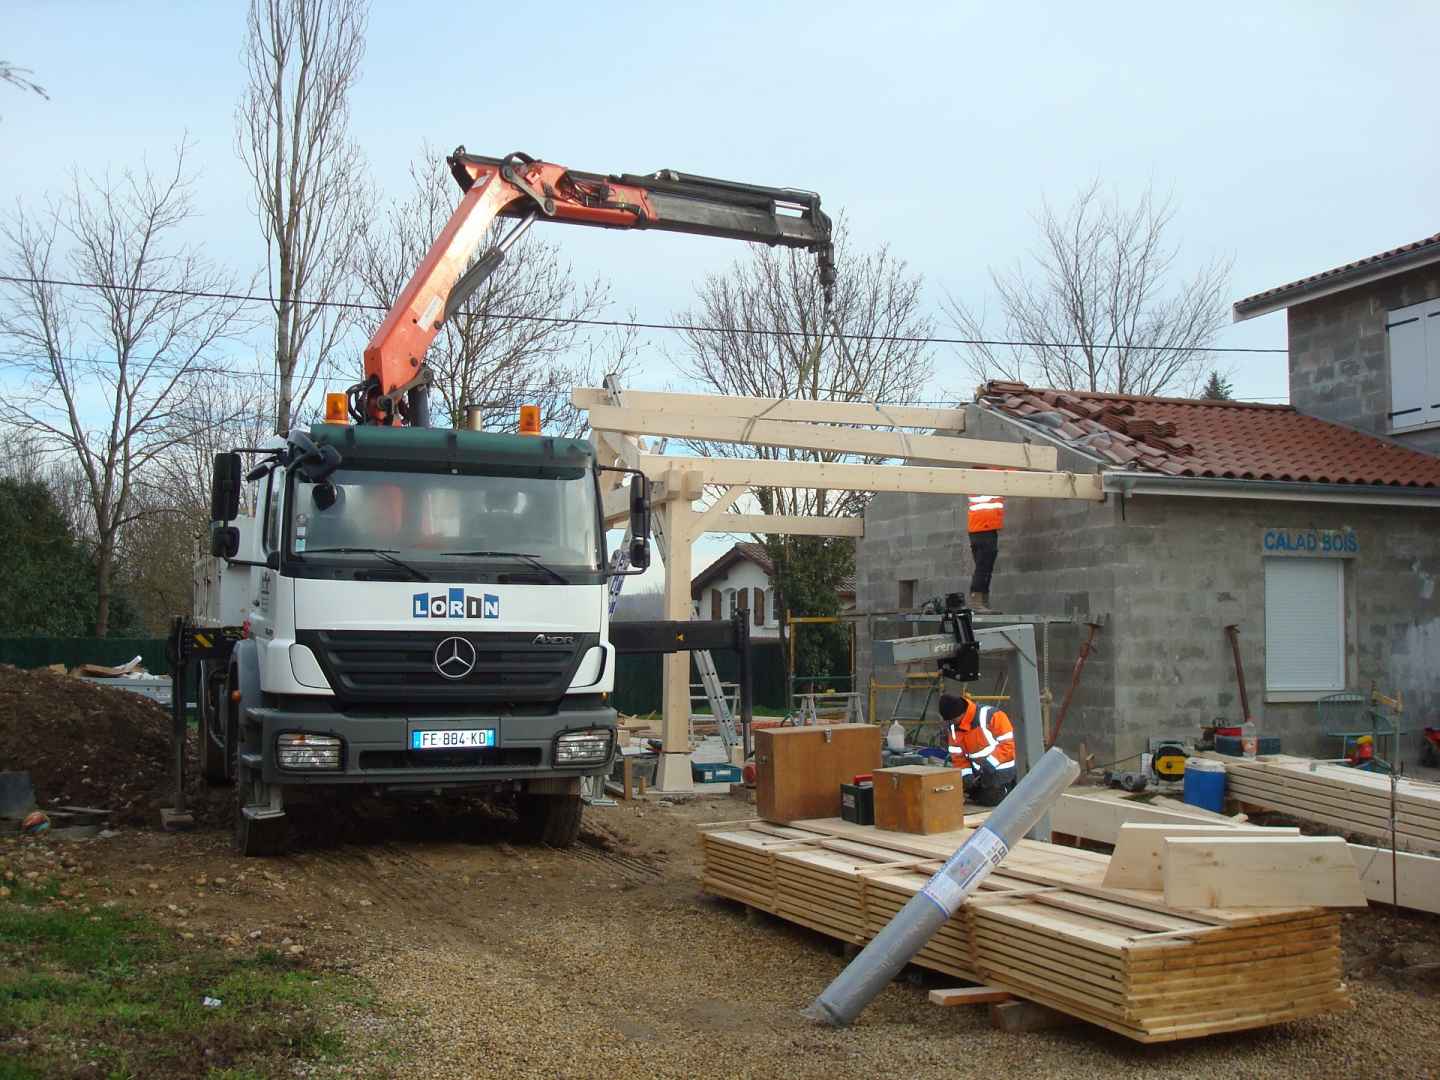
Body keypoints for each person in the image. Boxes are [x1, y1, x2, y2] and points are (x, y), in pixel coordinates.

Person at [939, 693, 1016, 807]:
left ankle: (1010, 788)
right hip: (981, 774)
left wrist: (990, 763)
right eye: (949, 721)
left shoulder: (992, 716)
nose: (952, 723)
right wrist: (966, 776)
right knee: (973, 793)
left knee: (990, 799)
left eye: (953, 720)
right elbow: (958, 757)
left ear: (961, 713)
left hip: (1003, 771)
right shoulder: (954, 727)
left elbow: (1009, 745)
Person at [966, 486, 1004, 613]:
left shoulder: (981, 476)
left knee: (985, 567)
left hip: (981, 528)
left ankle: (983, 602)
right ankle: (977, 602)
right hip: (983, 527)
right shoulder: (988, 475)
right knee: (983, 566)